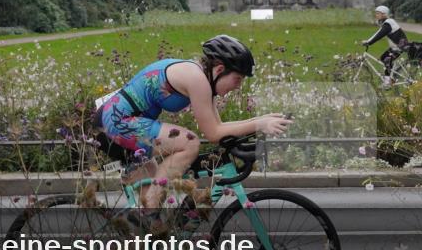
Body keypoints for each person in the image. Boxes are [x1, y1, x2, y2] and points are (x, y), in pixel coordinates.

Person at [94, 35, 291, 210]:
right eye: (237, 79)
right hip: (116, 122)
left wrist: (261, 120)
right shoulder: (197, 80)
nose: (238, 86)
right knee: (189, 143)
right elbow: (213, 133)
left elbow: (219, 128)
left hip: (117, 124)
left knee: (147, 213)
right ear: (220, 70)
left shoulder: (204, 80)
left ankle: (140, 242)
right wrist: (259, 124)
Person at [361, 5, 409, 86]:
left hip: (400, 46)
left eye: (378, 13)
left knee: (387, 59)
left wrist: (369, 42)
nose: (376, 15)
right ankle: (392, 76)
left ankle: (388, 82)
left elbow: (380, 34)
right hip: (395, 47)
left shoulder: (388, 23)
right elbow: (378, 32)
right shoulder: (387, 23)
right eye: (376, 13)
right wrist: (368, 41)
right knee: (384, 58)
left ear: (384, 14)